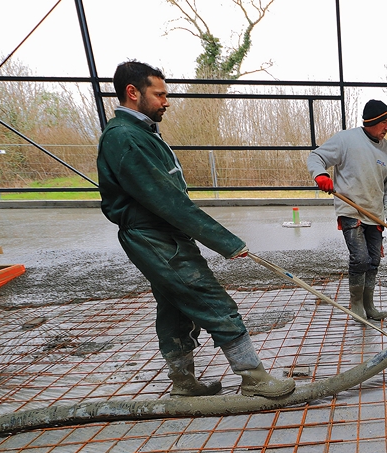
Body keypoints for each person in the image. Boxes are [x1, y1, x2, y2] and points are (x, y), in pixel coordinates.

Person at [96, 61, 295, 398]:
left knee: (174, 307)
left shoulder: (139, 134)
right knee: (210, 299)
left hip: (162, 235)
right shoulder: (126, 138)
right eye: (159, 94)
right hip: (154, 237)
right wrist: (226, 242)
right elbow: (169, 201)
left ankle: (184, 382)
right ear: (133, 93)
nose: (166, 101)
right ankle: (254, 377)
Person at [307, 100, 387, 321]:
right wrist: (320, 175)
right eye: (384, 122)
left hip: (374, 213)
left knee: (374, 261)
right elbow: (316, 157)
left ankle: (369, 305)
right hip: (351, 209)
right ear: (372, 121)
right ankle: (356, 304)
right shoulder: (346, 140)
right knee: (360, 259)